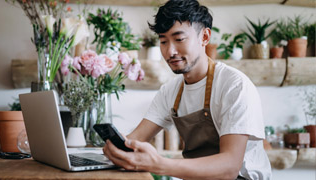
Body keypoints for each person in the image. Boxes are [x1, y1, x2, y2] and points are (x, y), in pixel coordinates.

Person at [103, 0, 272, 179]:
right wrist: (118, 147)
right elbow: (135, 139)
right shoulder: (170, 91)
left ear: (205, 37)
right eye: (163, 41)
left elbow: (230, 167)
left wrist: (158, 164)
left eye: (179, 39)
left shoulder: (234, 85)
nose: (170, 51)